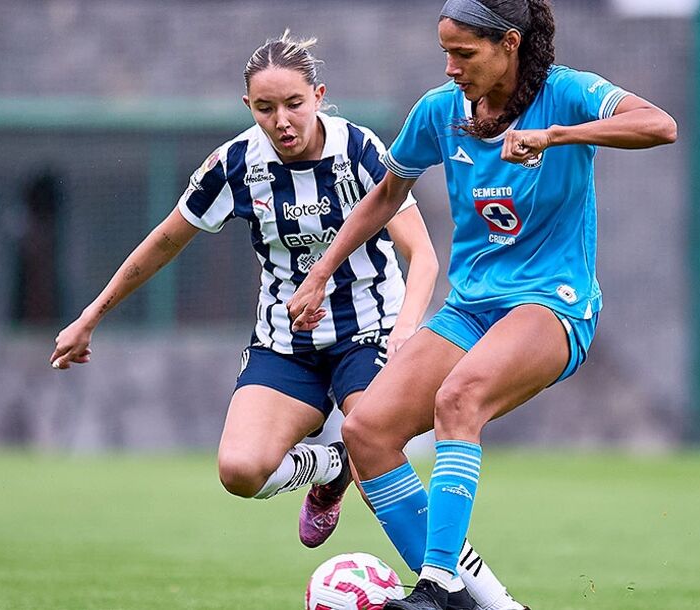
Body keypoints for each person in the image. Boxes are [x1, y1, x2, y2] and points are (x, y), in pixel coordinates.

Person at [50, 31, 528, 610]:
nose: (282, 120)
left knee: (380, 454)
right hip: (286, 344)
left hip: (369, 335)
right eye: (265, 107)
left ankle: (487, 601)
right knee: (241, 471)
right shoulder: (234, 165)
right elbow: (163, 243)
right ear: (248, 109)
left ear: (319, 95)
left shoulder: (359, 151)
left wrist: (407, 328)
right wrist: (89, 318)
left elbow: (423, 255)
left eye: (294, 103)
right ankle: (332, 465)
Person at [287, 1, 678, 608]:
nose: (450, 67)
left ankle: (438, 586)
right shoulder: (440, 112)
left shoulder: (568, 92)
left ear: (510, 45)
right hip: (470, 308)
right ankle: (483, 603)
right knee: (367, 430)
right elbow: (386, 195)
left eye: (464, 53)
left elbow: (660, 125)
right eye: (445, 51)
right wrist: (321, 271)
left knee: (459, 398)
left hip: (552, 306)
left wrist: (558, 135)